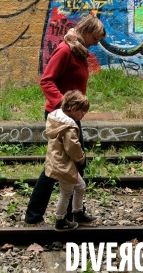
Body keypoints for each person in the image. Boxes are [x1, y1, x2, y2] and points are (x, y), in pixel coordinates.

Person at [24, 15, 106, 225]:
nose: (96, 43)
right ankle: (35, 216)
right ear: (86, 32)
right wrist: (63, 105)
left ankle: (74, 212)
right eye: (95, 39)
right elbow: (46, 80)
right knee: (58, 165)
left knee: (75, 163)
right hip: (62, 115)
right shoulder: (65, 50)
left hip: (70, 114)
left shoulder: (78, 51)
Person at [45, 90, 97, 231]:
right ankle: (60, 221)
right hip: (64, 164)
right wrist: (81, 158)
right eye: (83, 112)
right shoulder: (69, 127)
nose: (83, 115)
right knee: (66, 193)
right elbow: (72, 147)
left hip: (59, 162)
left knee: (80, 186)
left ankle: (77, 213)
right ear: (73, 109)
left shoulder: (57, 119)